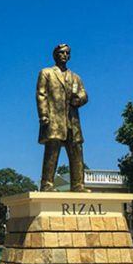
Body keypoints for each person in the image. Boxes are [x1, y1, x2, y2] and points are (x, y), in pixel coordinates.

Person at [36, 44, 89, 192]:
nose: (64, 55)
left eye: (67, 53)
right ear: (55, 55)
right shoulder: (46, 73)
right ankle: (47, 184)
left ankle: (78, 184)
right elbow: (41, 95)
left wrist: (78, 100)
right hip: (54, 119)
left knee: (76, 149)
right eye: (61, 53)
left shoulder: (76, 77)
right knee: (52, 149)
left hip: (72, 120)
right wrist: (43, 115)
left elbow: (84, 95)